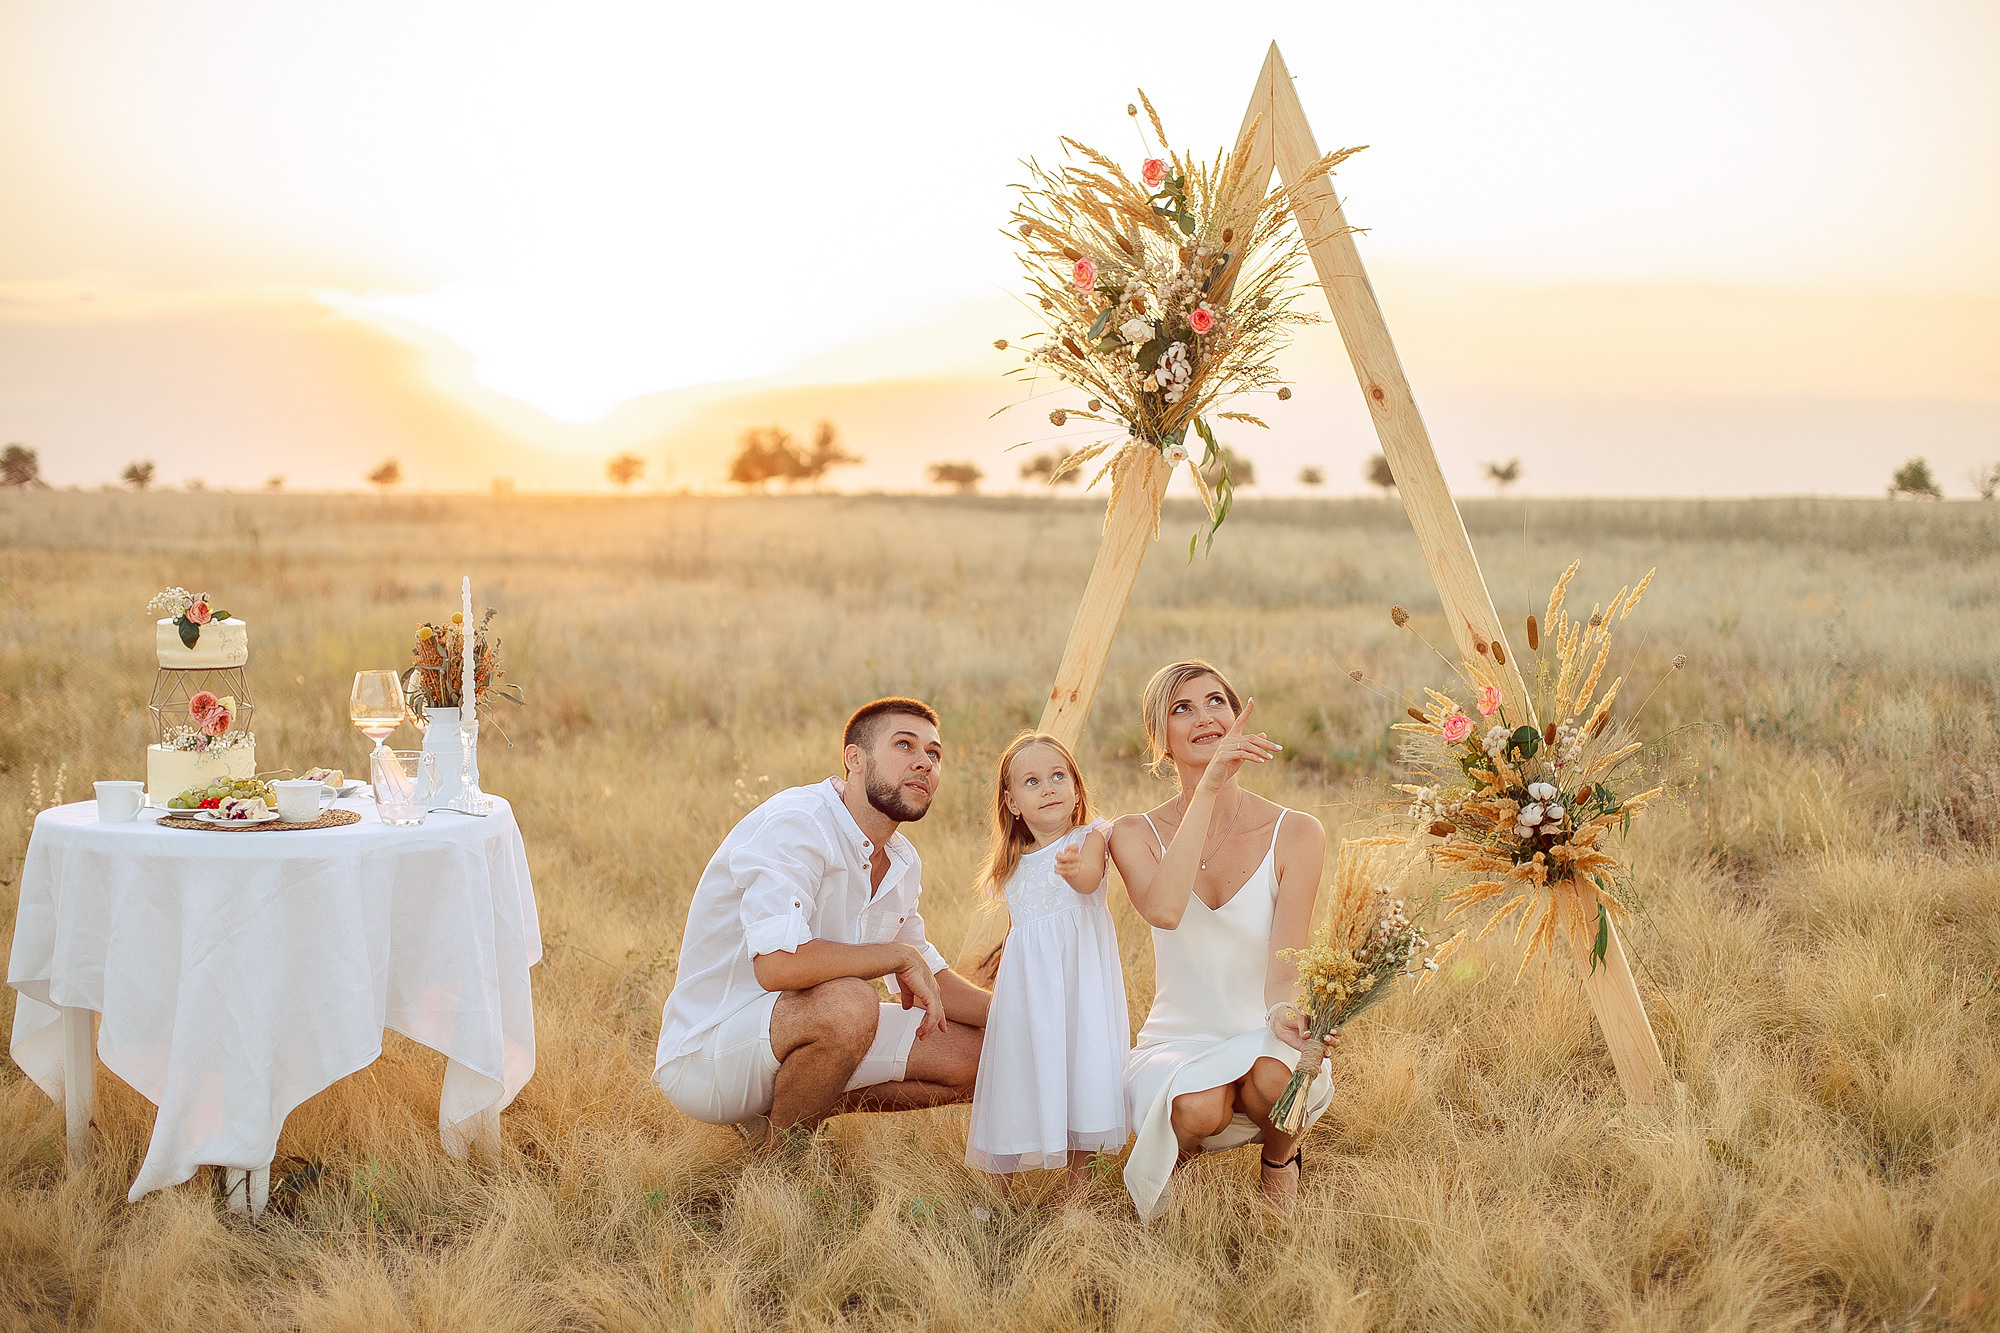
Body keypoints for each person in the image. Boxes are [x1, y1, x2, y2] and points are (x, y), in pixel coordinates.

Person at [654, 698, 989, 1149]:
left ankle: (789, 1111)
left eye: (934, 754)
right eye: (904, 745)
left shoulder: (903, 861)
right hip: (709, 1052)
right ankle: (781, 1170)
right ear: (855, 759)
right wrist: (894, 955)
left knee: (982, 1053)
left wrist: (1018, 1016)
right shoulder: (797, 823)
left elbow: (928, 978)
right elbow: (777, 965)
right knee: (851, 1002)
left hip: (795, 1034)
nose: (924, 764)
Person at [1109, 660, 1334, 1218]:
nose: (1205, 717)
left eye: (1216, 702)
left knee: (1276, 1074)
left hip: (1259, 1030)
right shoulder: (1133, 832)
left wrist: (1286, 1012)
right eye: (1181, 709)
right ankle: (1174, 1169)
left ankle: (1280, 1166)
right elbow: (1163, 909)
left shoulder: (1297, 832)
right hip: (1176, 1039)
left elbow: (1288, 961)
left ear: (1237, 719)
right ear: (1160, 739)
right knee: (1199, 1103)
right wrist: (1205, 790)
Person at [963, 733, 1131, 1196]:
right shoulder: (1012, 865)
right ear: (1013, 802)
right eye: (1033, 781)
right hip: (1028, 997)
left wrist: (1076, 870)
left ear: (1076, 788)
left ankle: (1079, 1200)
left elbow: (1090, 878)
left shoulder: (1089, 838)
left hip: (1081, 989)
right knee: (1017, 1080)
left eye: (1059, 776)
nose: (1049, 787)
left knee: (1084, 1076)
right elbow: (1018, 935)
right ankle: (999, 1199)